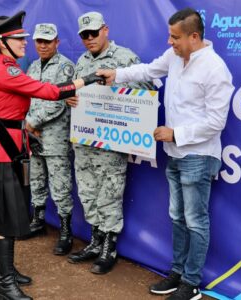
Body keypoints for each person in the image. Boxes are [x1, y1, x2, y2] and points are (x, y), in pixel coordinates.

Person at [97, 8, 234, 299]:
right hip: (175, 154)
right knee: (177, 216)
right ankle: (177, 272)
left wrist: (175, 133)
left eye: (175, 37)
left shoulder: (215, 68)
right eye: (170, 36)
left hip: (199, 155)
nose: (170, 42)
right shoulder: (174, 56)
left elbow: (215, 122)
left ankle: (192, 282)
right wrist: (117, 74)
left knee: (195, 220)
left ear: (194, 36)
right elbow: (147, 70)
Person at [0, 11, 104, 300]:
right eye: (18, 39)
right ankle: (5, 284)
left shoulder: (8, 66)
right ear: (3, 43)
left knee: (9, 211)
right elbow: (47, 91)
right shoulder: (7, 69)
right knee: (4, 217)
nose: (25, 43)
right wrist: (88, 80)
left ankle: (4, 271)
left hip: (7, 143)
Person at [66, 11, 152, 275]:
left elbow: (148, 90)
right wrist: (69, 98)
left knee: (110, 193)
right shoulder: (80, 61)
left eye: (93, 33)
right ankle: (95, 241)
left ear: (105, 29)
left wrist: (120, 86)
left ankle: (109, 247)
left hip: (111, 142)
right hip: (84, 140)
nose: (89, 39)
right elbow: (73, 92)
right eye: (84, 35)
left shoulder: (124, 58)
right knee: (88, 192)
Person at [20, 23, 76, 257]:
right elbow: (26, 96)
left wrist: (33, 122)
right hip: (33, 135)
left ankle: (65, 232)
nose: (42, 45)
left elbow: (59, 101)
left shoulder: (65, 67)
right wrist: (28, 124)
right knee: (36, 179)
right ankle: (39, 220)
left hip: (55, 137)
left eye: (47, 41)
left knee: (60, 184)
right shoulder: (33, 66)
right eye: (39, 41)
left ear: (57, 42)